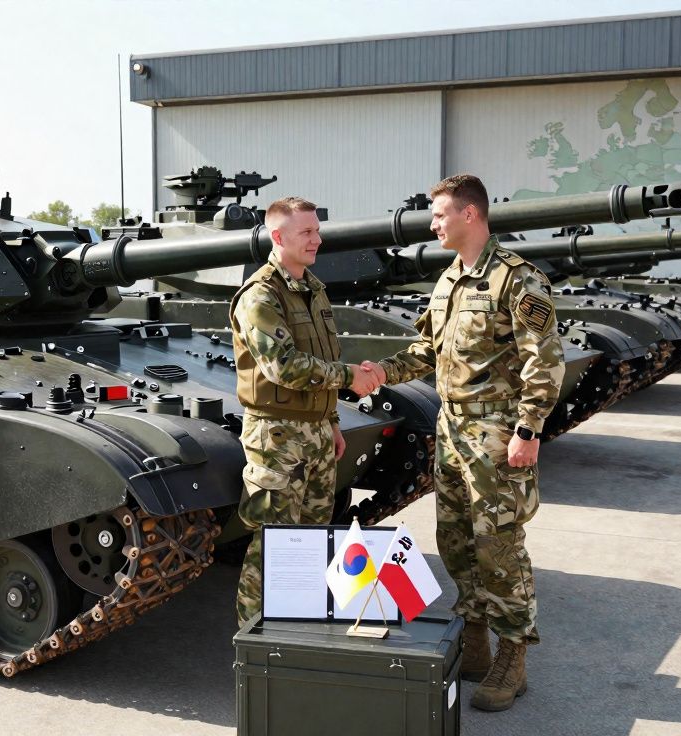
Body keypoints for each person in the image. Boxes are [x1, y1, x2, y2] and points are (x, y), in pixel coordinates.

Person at [361, 174, 564, 711]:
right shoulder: (451, 278)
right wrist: (379, 372)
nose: (432, 224)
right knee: (454, 538)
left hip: (497, 433)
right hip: (451, 429)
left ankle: (512, 656)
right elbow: (427, 348)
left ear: (469, 215)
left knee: (499, 545)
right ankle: (473, 641)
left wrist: (528, 431)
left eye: (440, 214)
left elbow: (544, 362)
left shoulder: (516, 280)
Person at [230, 196, 380, 626]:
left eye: (317, 230)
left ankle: (298, 631)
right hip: (276, 438)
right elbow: (282, 367)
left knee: (313, 541)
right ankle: (254, 641)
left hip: (314, 433)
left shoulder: (312, 289)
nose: (317, 239)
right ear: (278, 237)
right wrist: (349, 377)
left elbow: (322, 354)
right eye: (307, 232)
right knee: (273, 545)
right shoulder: (260, 295)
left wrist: (330, 420)